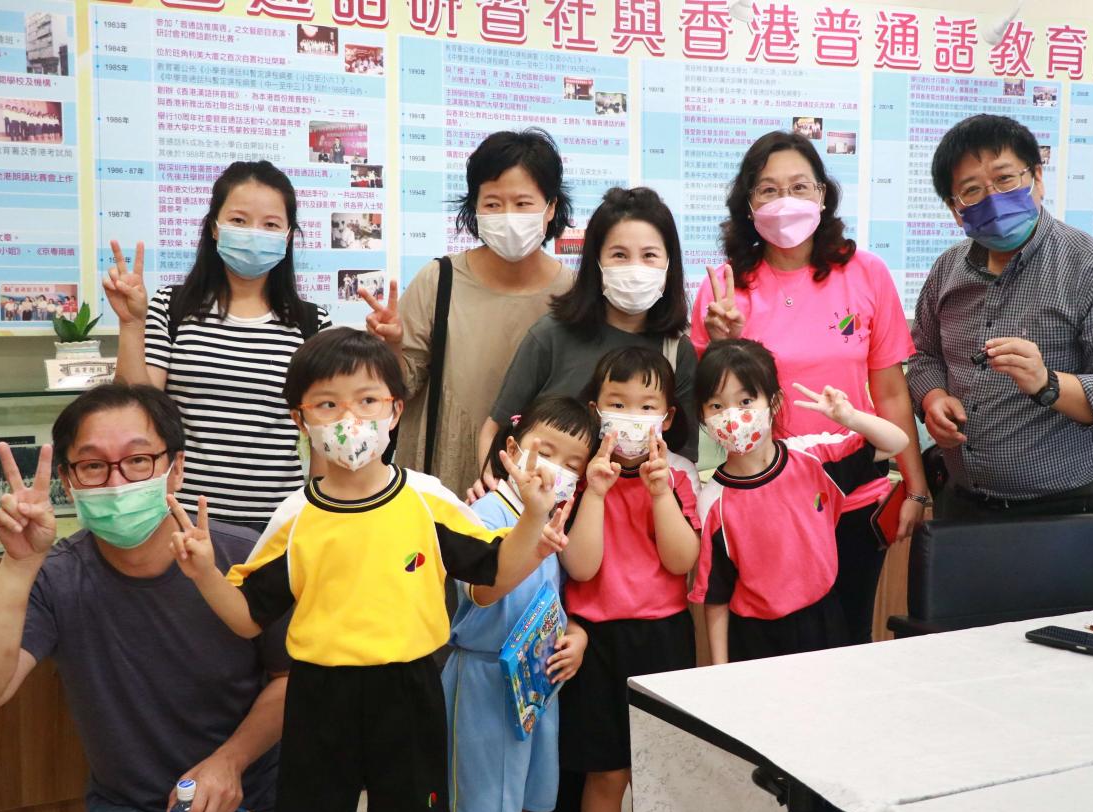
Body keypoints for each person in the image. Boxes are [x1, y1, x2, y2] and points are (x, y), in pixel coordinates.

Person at [167, 327, 571, 812]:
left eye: (367, 400)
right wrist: (204, 573)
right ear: (300, 420)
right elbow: (247, 618)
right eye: (327, 404)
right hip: (318, 693)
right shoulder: (295, 516)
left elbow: (494, 569)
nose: (349, 419)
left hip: (408, 688)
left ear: (395, 410)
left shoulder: (427, 499)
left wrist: (533, 517)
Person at [0, 384, 295, 812]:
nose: (117, 483)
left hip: (255, 796)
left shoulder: (244, 559)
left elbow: (291, 678)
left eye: (138, 460)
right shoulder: (57, 576)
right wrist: (18, 564)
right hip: (133, 805)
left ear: (175, 469)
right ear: (68, 481)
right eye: (93, 466)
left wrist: (231, 761)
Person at [690, 131, 925, 646]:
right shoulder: (723, 289)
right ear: (748, 203)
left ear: (823, 195)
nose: (785, 200)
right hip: (766, 501)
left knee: (848, 642)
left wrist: (915, 487)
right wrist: (723, 343)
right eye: (768, 189)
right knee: (771, 648)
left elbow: (890, 391)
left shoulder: (865, 273)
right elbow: (714, 405)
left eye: (800, 186)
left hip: (855, 491)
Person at [908, 114, 1093, 539]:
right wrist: (933, 399)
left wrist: (1048, 383)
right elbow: (923, 355)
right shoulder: (948, 270)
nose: (993, 198)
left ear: (1037, 178)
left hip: (1068, 512)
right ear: (955, 209)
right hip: (962, 504)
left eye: (1005, 179)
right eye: (972, 190)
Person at [103, 160, 334, 530]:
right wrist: (131, 324)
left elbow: (323, 434)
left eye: (270, 224)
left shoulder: (312, 324)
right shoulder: (171, 307)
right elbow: (137, 410)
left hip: (278, 524)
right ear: (214, 226)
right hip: (180, 519)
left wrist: (324, 515)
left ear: (289, 235)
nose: (254, 233)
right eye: (239, 220)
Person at [367, 129, 574, 498]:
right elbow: (401, 388)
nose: (508, 216)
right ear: (474, 208)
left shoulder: (574, 294)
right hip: (441, 487)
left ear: (551, 207)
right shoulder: (439, 280)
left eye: (523, 203)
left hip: (538, 495)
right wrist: (392, 345)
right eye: (492, 204)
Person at [558, 347, 700, 812]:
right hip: (594, 643)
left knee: (659, 771)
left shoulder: (676, 480)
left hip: (662, 639)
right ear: (596, 411)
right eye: (618, 404)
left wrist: (660, 495)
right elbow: (581, 567)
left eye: (646, 406)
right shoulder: (579, 483)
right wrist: (596, 493)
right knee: (605, 774)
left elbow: (682, 562)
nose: (632, 417)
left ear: (667, 418)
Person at [691, 340, 908, 663]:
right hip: (754, 637)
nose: (733, 416)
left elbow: (896, 442)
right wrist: (720, 670)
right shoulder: (713, 501)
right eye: (717, 406)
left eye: (746, 401)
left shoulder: (814, 457)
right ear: (703, 415)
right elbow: (717, 596)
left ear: (774, 402)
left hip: (823, 620)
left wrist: (850, 417)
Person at [480, 186, 698, 501]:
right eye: (619, 255)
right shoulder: (551, 335)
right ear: (596, 261)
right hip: (545, 514)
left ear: (669, 263)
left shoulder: (677, 351)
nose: (635, 267)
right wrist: (494, 490)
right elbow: (496, 429)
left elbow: (682, 459)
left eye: (649, 255)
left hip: (637, 519)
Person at [444, 395, 594, 812]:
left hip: (535, 688)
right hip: (485, 685)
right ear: (512, 448)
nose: (555, 470)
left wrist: (577, 636)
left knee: (521, 809)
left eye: (572, 464)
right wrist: (532, 530)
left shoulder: (555, 522)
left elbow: (555, 602)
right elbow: (482, 591)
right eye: (545, 452)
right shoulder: (483, 515)